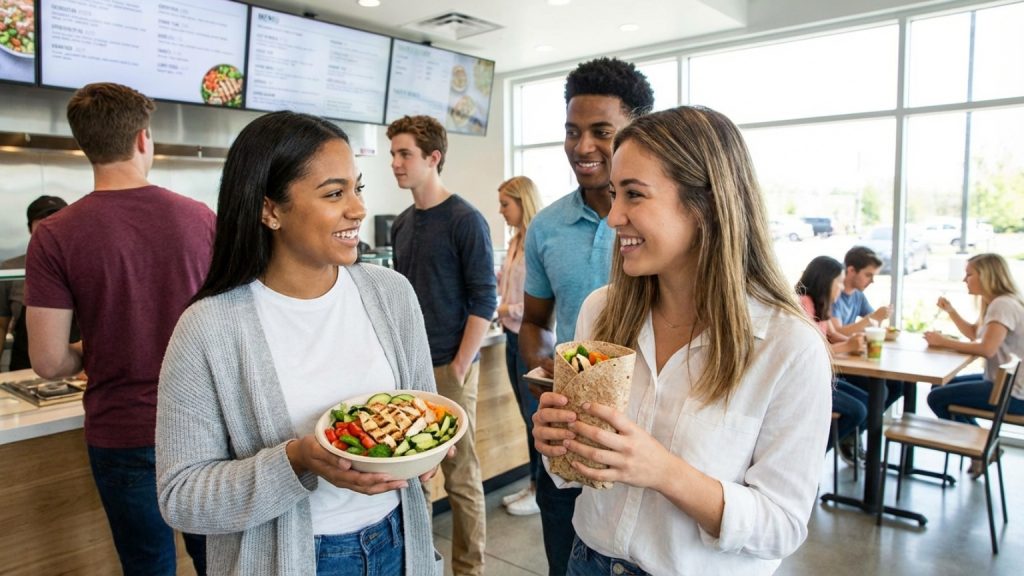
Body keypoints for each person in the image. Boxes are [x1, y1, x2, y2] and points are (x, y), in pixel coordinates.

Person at [532, 106, 832, 575]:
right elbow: (575, 474)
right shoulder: (602, 311)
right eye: (614, 194)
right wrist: (559, 445)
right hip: (587, 561)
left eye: (634, 194)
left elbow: (782, 526)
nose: (613, 217)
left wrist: (663, 471)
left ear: (706, 204)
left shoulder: (789, 348)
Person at [156, 111, 441, 575]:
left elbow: (426, 409)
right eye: (334, 193)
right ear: (270, 209)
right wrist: (294, 461)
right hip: (293, 559)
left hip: (399, 543)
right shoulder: (208, 329)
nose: (358, 208)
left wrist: (425, 456)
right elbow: (181, 498)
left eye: (357, 188)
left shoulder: (392, 294)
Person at [24, 83, 211, 575]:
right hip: (203, 427)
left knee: (147, 565)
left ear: (84, 145)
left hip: (121, 431)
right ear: (143, 138)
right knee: (222, 560)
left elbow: (46, 361)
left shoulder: (54, 235)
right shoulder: (200, 219)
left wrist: (91, 349)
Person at [519, 56, 654, 576]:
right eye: (573, 132)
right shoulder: (547, 226)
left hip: (647, 432)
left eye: (602, 131)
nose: (583, 147)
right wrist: (540, 368)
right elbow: (535, 322)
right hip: (572, 427)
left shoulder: (661, 225)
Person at [388, 114, 497, 576]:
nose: (395, 162)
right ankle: (421, 565)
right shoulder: (402, 224)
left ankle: (468, 570)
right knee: (414, 478)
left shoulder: (465, 219)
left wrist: (458, 367)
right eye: (393, 153)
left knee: (462, 476)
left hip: (448, 367)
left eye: (404, 153)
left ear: (433, 158)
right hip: (408, 370)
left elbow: (484, 299)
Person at [925, 253, 1024, 477]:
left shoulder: (1003, 305)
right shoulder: (997, 302)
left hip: (1014, 394)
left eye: (969, 274)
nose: (964, 280)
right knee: (938, 387)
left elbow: (986, 349)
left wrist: (943, 342)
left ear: (987, 276)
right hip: (1001, 383)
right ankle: (984, 448)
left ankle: (982, 449)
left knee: (936, 397)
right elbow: (974, 335)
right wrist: (951, 311)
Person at [495, 176, 545, 516]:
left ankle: (541, 491)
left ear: (522, 203)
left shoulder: (536, 245)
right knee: (525, 416)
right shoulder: (514, 241)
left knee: (535, 416)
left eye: (505, 204)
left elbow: (538, 303)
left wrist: (505, 309)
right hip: (511, 337)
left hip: (531, 338)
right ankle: (532, 483)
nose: (501, 211)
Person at [795, 256, 870, 452]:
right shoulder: (804, 304)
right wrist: (848, 347)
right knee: (858, 410)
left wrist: (856, 343)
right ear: (825, 281)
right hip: (805, 382)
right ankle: (815, 454)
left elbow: (833, 334)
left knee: (868, 400)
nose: (840, 287)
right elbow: (810, 350)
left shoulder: (821, 303)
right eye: (838, 282)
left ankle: (838, 444)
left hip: (821, 376)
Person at [1, 195, 79, 372]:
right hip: (25, 370)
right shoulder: (10, 269)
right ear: (31, 228)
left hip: (76, 370)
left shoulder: (84, 266)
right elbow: (1, 324)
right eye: (43, 222)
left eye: (58, 220)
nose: (52, 228)